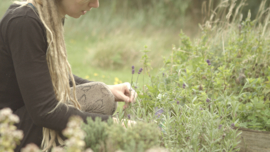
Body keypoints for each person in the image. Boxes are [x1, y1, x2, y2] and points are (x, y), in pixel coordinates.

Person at [0, 0, 137, 151]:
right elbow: (44, 111)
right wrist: (114, 125)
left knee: (103, 95)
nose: (95, 4)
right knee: (109, 129)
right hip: (11, 132)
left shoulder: (48, 14)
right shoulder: (24, 22)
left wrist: (108, 89)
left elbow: (49, 74)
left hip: (28, 116)